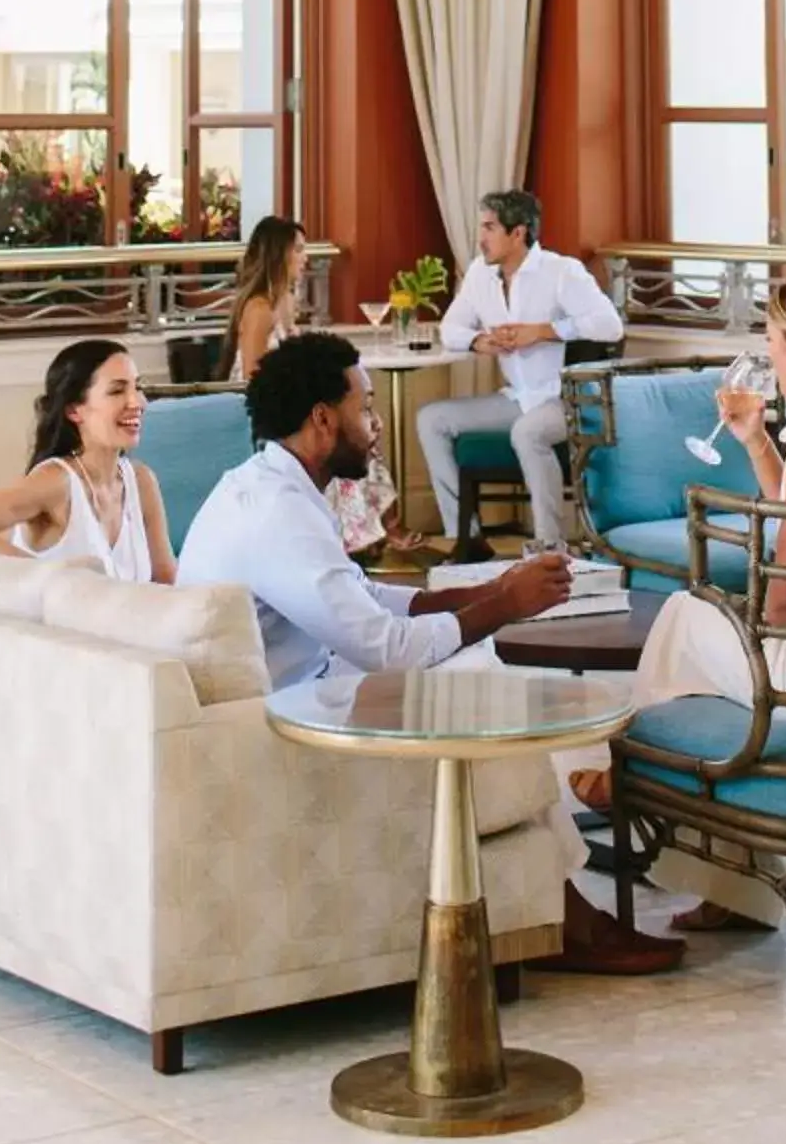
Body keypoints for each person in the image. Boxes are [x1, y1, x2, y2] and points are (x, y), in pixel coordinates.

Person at [178, 329, 682, 974]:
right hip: (283, 726)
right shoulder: (279, 516)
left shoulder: (266, 486)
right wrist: (504, 606)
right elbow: (389, 652)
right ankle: (572, 921)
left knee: (475, 663)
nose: (374, 424)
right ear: (323, 419)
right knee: (478, 680)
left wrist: (488, 588)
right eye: (363, 406)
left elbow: (356, 596)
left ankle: (562, 911)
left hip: (300, 690)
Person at [568, 270, 786, 893]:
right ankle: (724, 884)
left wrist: (742, 618)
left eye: (773, 339)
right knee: (694, 643)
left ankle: (634, 785)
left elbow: (780, 602)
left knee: (684, 617)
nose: (770, 353)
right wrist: (756, 443)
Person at [419, 189, 624, 549]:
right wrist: (480, 342)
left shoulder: (562, 272)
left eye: (490, 228)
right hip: (518, 398)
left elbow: (610, 326)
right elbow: (450, 329)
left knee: (528, 432)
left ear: (519, 233)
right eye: (481, 227)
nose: (481, 238)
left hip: (570, 401)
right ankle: (465, 538)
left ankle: (550, 547)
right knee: (432, 419)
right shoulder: (480, 275)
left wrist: (544, 331)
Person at [226, 213, 411, 555]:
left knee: (358, 431)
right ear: (279, 254)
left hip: (289, 405)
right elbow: (253, 378)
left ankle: (375, 533)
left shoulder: (285, 302)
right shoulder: (259, 309)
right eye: (298, 249)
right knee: (338, 439)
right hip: (264, 415)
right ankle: (361, 539)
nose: (305, 257)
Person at [0, 335, 175, 582]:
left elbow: (165, 580)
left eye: (138, 387)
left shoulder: (141, 481)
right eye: (117, 391)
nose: (137, 402)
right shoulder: (56, 482)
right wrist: (49, 578)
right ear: (74, 410)